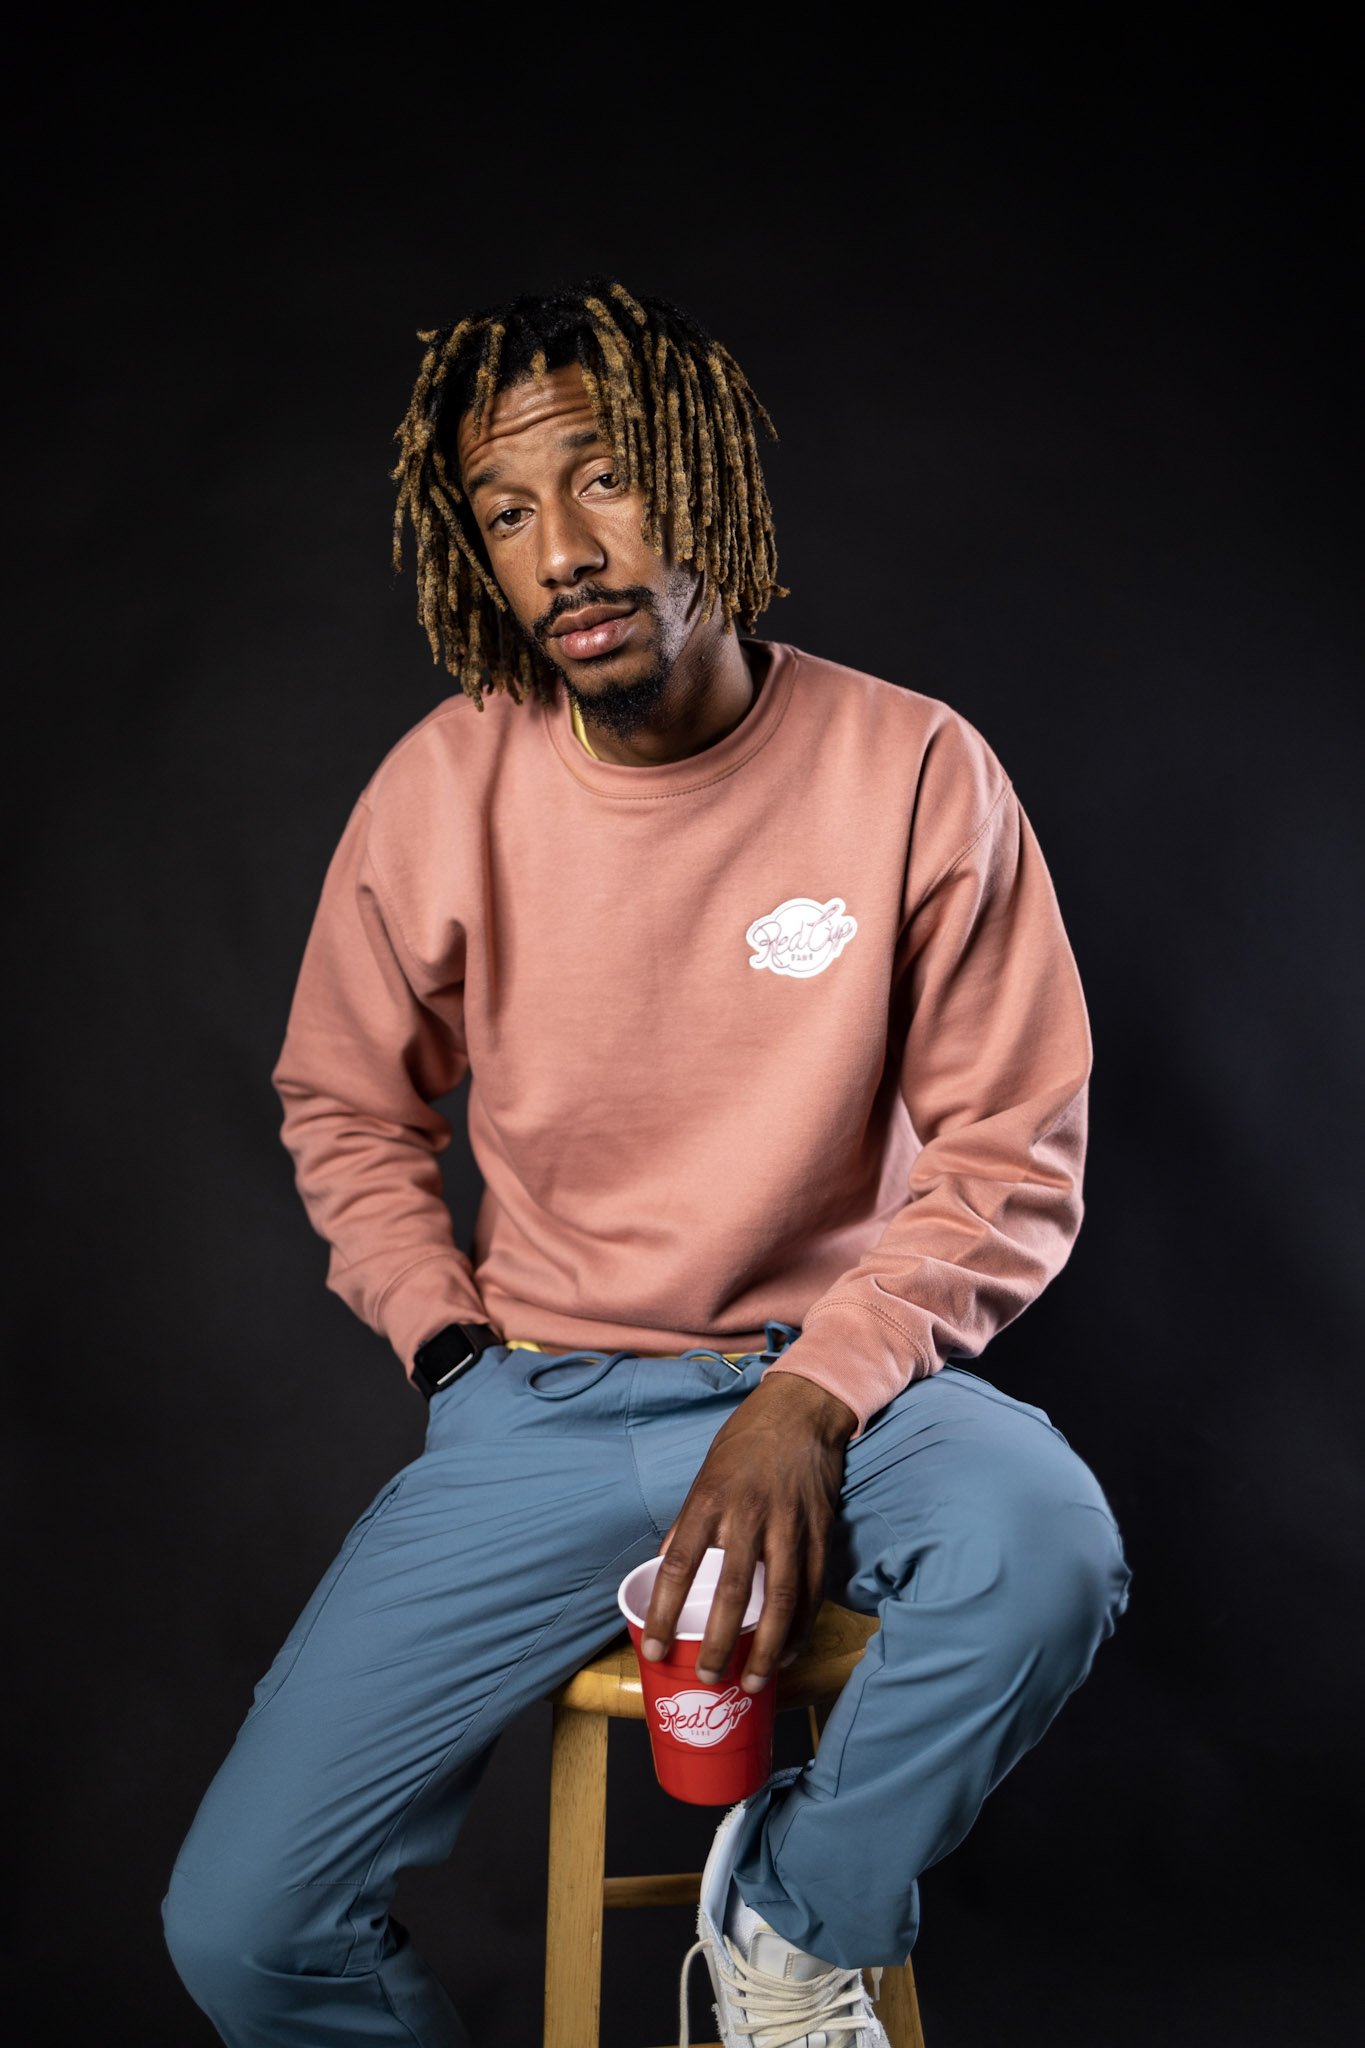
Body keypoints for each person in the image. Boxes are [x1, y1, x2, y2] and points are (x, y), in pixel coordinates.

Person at [162, 278, 1131, 2047]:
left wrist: (810, 1398)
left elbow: (1010, 1149)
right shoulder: (443, 787)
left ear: (703, 480)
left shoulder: (913, 766)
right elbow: (344, 1103)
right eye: (505, 512)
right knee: (246, 1929)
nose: (562, 553)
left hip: (840, 1388)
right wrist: (448, 1348)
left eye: (603, 478)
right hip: (537, 1404)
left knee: (1044, 1543)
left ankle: (788, 1922)